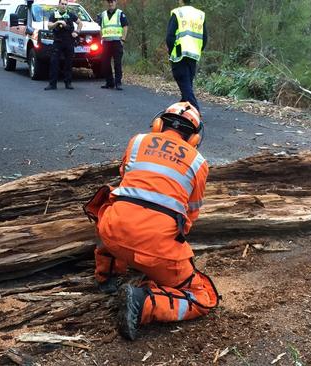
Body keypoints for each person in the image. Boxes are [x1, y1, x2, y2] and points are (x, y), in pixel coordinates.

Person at [84, 102, 219, 341]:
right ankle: (144, 303)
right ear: (195, 138)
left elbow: (126, 180)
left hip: (112, 233)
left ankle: (106, 277)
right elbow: (191, 214)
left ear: (158, 124)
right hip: (157, 249)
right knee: (204, 295)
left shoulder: (137, 141)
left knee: (112, 208)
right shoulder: (199, 162)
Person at [166, 0, 207, 111]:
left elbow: (170, 37)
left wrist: (171, 51)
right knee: (187, 83)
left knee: (183, 81)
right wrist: (198, 49)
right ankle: (184, 108)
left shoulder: (178, 13)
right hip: (193, 54)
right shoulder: (200, 15)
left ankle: (195, 111)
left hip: (179, 53)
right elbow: (204, 38)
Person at [45, 0, 83, 90]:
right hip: (58, 42)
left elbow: (80, 23)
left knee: (68, 63)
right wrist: (58, 22)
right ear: (59, 4)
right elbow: (49, 26)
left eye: (65, 4)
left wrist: (76, 32)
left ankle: (68, 83)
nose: (64, 6)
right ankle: (52, 84)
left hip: (69, 41)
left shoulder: (70, 14)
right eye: (62, 4)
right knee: (54, 62)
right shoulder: (54, 15)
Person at [96, 0, 128, 90]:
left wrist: (123, 39)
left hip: (117, 42)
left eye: (112, 2)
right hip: (106, 42)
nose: (111, 4)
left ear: (115, 2)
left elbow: (125, 26)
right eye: (109, 2)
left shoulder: (120, 13)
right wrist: (101, 38)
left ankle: (118, 83)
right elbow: (101, 28)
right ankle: (109, 82)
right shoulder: (103, 14)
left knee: (117, 63)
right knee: (105, 63)